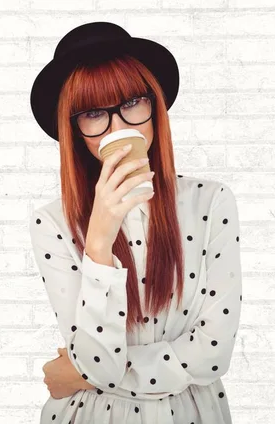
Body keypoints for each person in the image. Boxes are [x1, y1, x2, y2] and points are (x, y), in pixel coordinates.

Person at [28, 22, 242, 424]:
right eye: (93, 114)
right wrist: (99, 242)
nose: (119, 126)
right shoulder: (52, 222)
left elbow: (213, 352)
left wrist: (79, 376)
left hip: (193, 413)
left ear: (155, 107)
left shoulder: (211, 202)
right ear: (76, 132)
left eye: (132, 103)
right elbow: (99, 363)